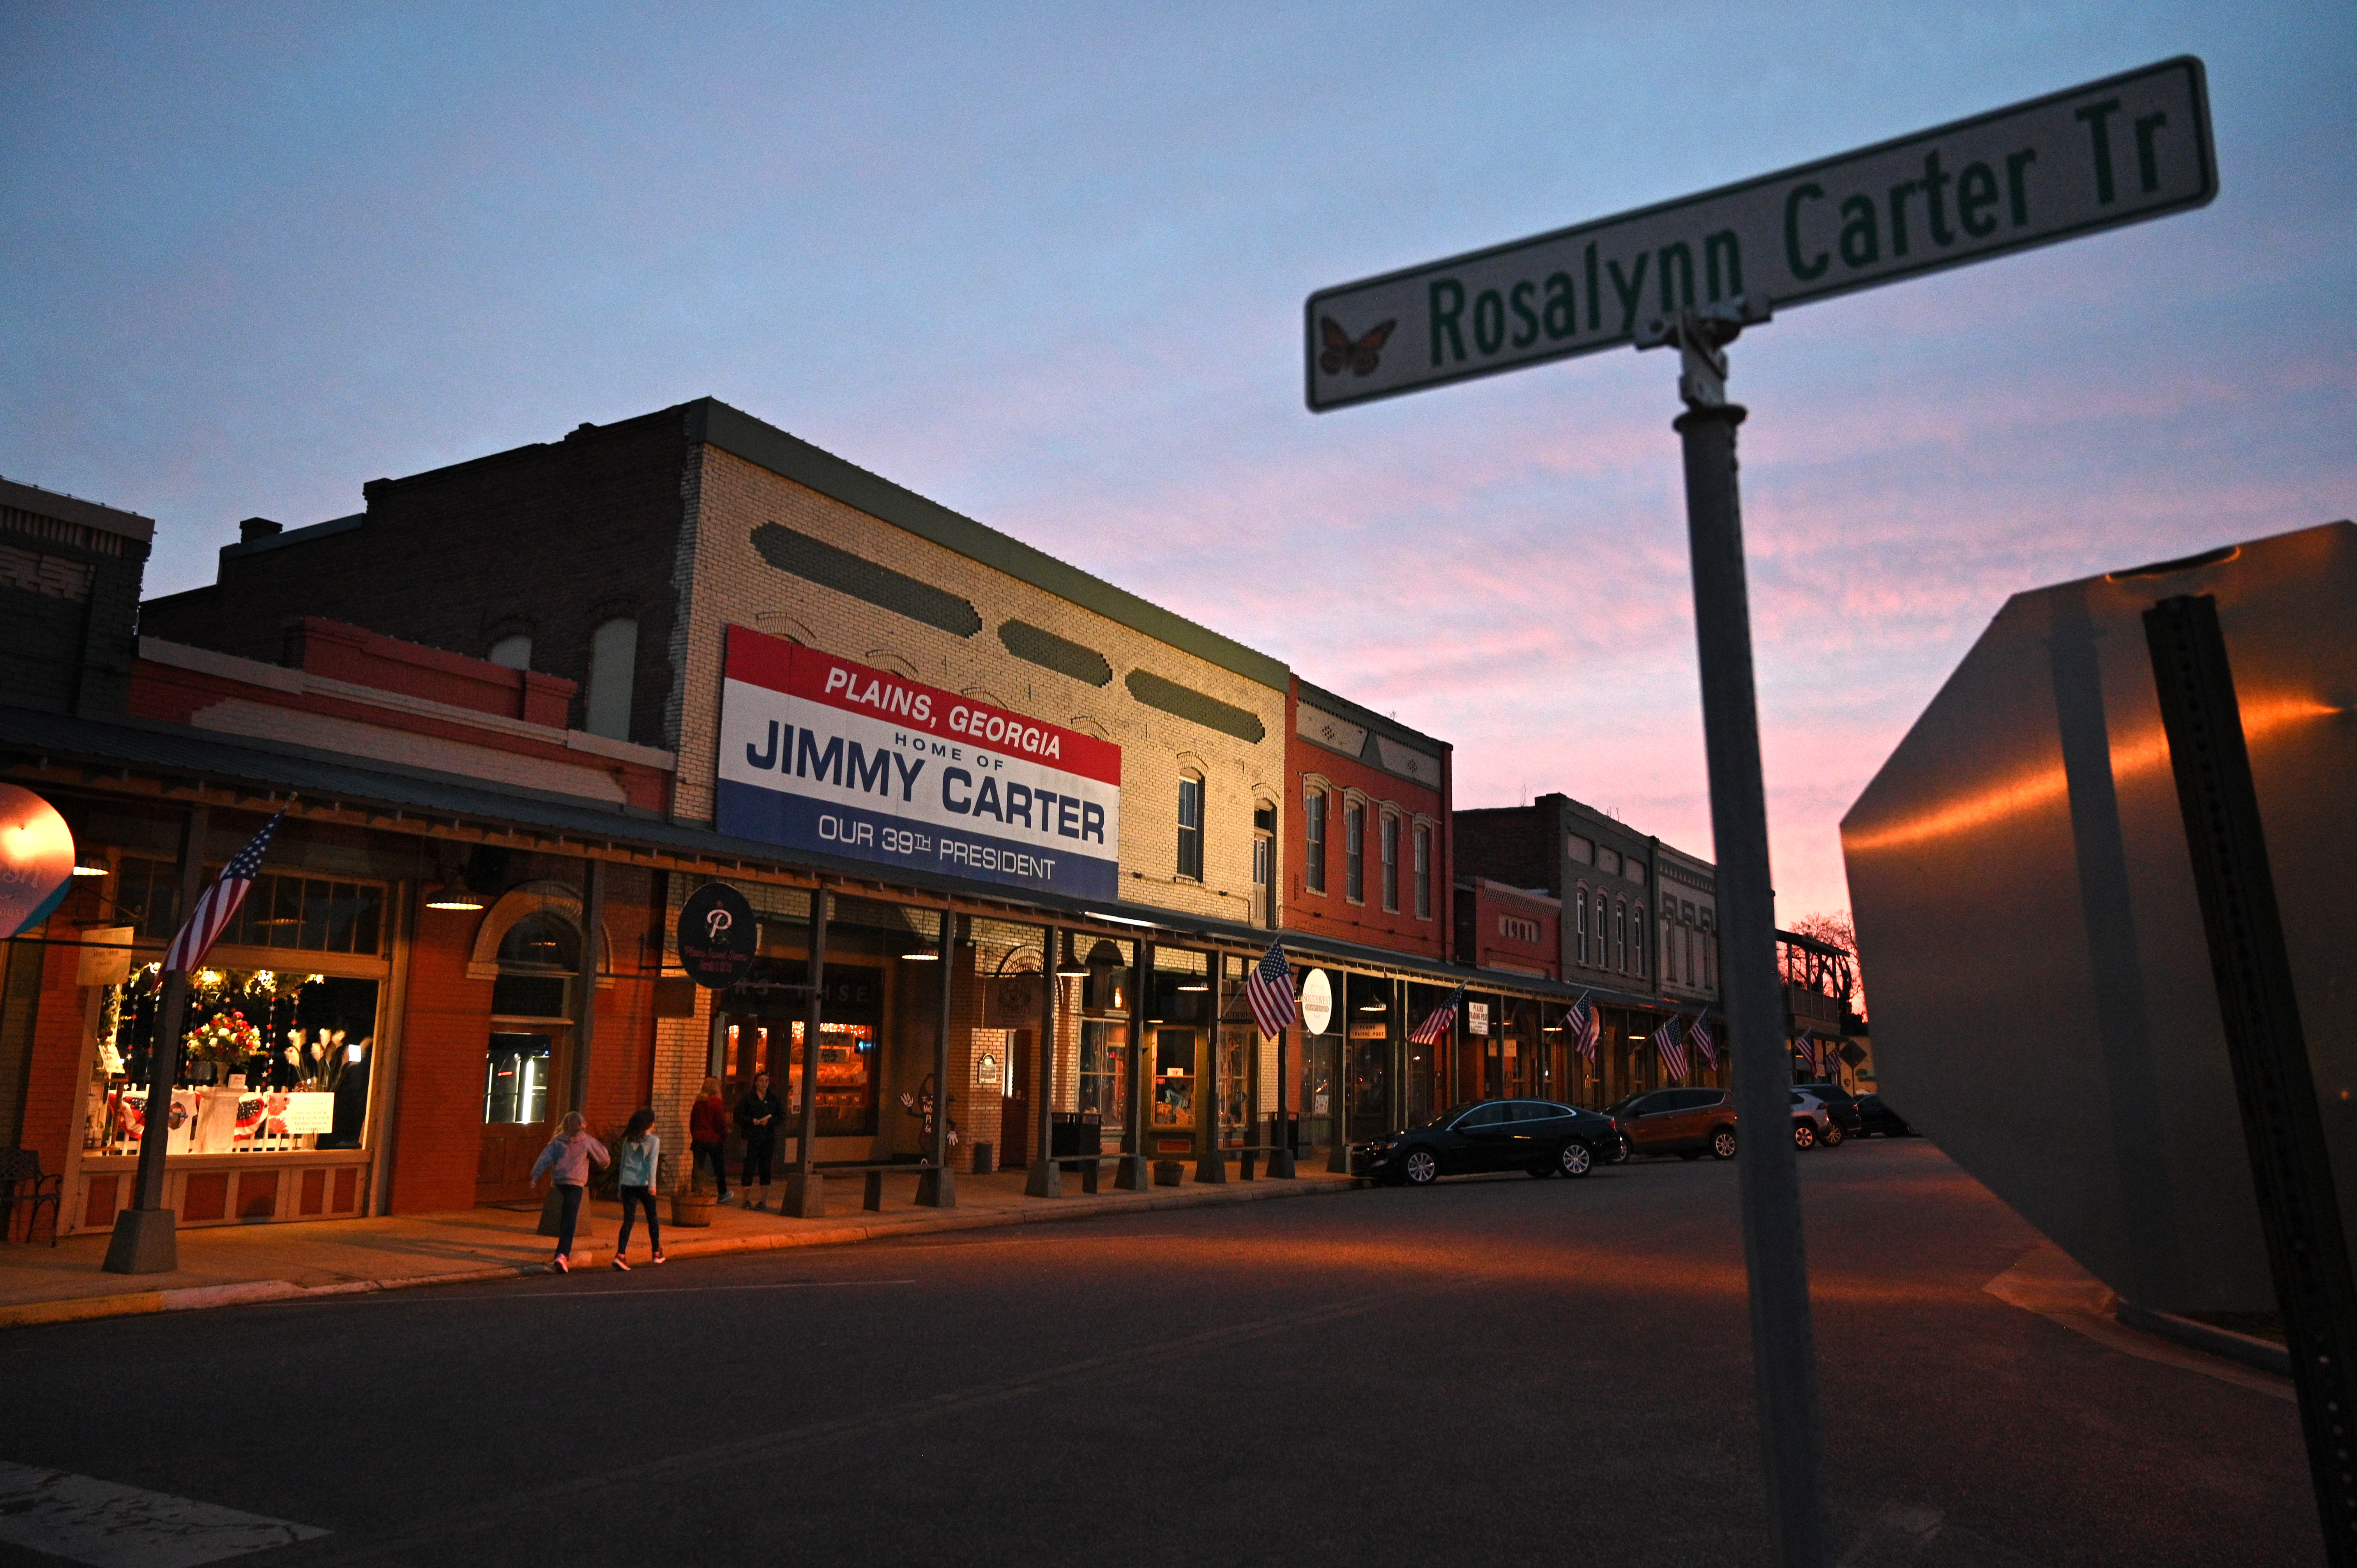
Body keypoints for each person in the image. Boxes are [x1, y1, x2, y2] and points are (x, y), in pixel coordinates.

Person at [530, 1110, 609, 1273]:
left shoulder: (558, 1141)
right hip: (576, 1182)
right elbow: (603, 1157)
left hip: (560, 1182)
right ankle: (562, 1255)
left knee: (567, 1214)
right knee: (570, 1219)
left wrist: (535, 1176)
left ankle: (562, 1252)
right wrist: (605, 1164)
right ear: (582, 1125)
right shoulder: (586, 1140)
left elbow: (544, 1159)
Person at [613, 1107, 664, 1270]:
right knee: (652, 1218)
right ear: (650, 1124)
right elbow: (653, 1163)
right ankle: (656, 1252)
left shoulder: (629, 1140)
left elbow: (623, 1164)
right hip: (645, 1183)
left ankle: (621, 1254)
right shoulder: (654, 1141)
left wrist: (621, 1187)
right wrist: (654, 1185)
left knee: (628, 1220)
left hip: (628, 1183)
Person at [736, 1069, 784, 1210]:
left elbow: (781, 1116)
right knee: (749, 1166)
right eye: (762, 1081)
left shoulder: (774, 1099)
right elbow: (738, 1116)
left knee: (766, 1167)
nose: (765, 1083)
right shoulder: (748, 1098)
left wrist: (770, 1122)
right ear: (756, 1083)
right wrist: (753, 1121)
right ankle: (746, 1199)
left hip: (768, 1138)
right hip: (752, 1137)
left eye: (767, 1081)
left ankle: (764, 1200)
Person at [689, 1076, 732, 1203]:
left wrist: (695, 1135)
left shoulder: (699, 1102)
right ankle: (723, 1192)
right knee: (719, 1167)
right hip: (714, 1139)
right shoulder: (717, 1103)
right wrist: (724, 1135)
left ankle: (696, 1191)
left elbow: (693, 1122)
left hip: (699, 1139)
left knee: (698, 1167)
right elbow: (720, 1122)